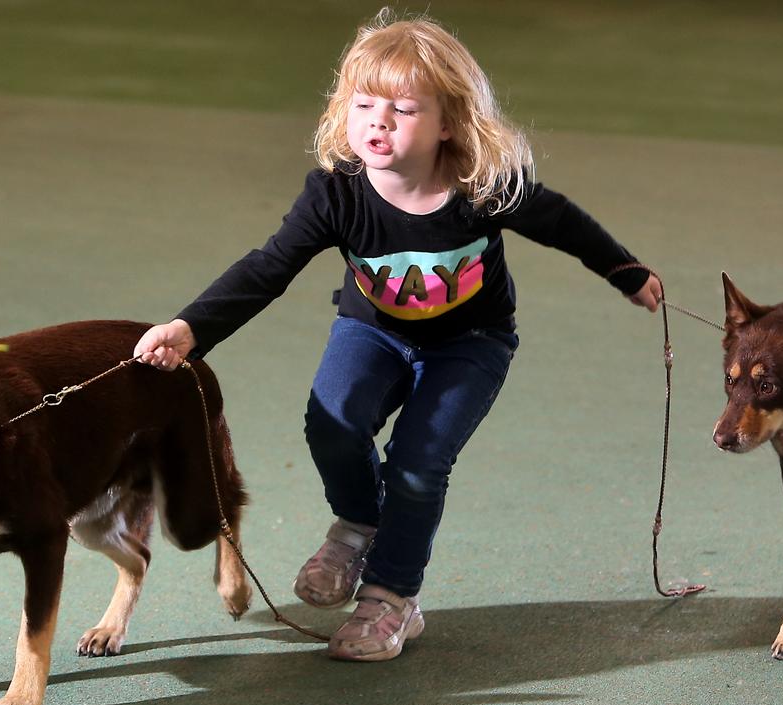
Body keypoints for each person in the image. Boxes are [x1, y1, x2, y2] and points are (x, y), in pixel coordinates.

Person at [134, 8, 661, 662]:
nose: (378, 121)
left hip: (471, 345)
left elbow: (564, 223)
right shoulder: (337, 194)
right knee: (332, 421)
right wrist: (191, 329)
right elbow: (268, 268)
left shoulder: (484, 187)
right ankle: (358, 525)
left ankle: (392, 598)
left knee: (417, 463)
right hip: (373, 332)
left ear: (449, 123)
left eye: (403, 109)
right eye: (364, 104)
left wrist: (624, 270)